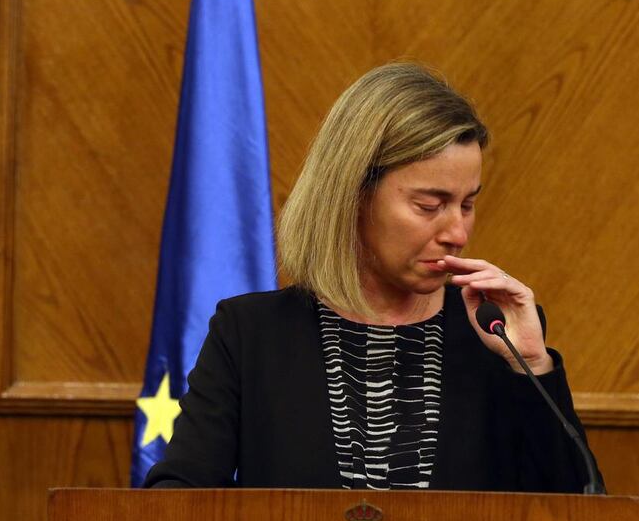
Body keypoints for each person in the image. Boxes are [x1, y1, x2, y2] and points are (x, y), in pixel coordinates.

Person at [144, 63, 602, 492]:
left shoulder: (495, 333)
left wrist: (532, 365)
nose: (457, 232)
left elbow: (577, 513)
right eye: (429, 205)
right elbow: (179, 502)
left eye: (467, 204)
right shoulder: (252, 333)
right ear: (354, 195)